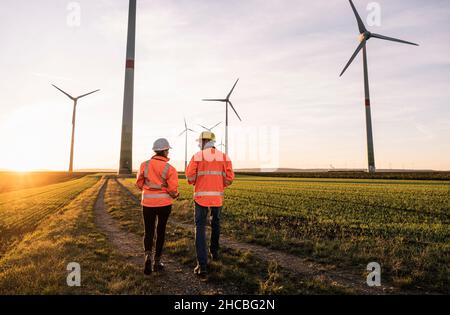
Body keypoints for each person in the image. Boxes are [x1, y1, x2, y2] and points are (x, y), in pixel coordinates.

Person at [185, 131, 235, 276]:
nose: (198, 144)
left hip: (200, 197)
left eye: (199, 141)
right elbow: (230, 178)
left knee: (200, 228)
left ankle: (202, 265)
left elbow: (190, 177)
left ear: (205, 140)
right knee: (216, 224)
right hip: (217, 197)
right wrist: (219, 185)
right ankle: (215, 252)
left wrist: (197, 182)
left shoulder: (197, 156)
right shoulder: (224, 157)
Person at [136, 138, 179, 275]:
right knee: (161, 231)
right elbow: (172, 189)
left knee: (148, 231)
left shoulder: (144, 165)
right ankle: (157, 261)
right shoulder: (170, 168)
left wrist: (148, 188)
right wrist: (175, 194)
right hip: (164, 204)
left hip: (147, 203)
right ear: (165, 151)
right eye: (167, 150)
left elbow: (138, 183)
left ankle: (147, 256)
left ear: (155, 150)